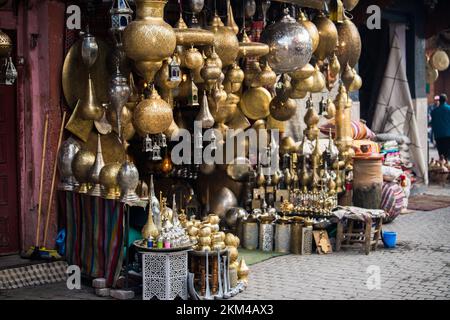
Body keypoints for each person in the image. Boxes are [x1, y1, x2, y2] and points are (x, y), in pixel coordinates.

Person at [431, 94, 450, 160]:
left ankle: (441, 167)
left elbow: (432, 123)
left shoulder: (434, 111)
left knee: (441, 154)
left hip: (438, 136)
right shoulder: (449, 109)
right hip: (448, 135)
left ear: (439, 100)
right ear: (446, 100)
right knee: (448, 155)